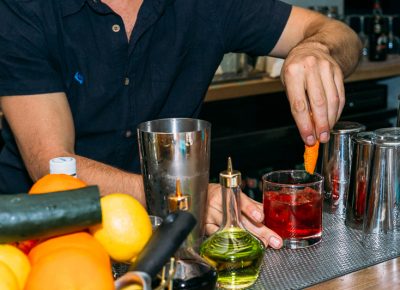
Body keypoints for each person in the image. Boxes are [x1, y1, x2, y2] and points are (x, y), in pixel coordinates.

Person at [0, 0, 361, 249]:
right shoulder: (24, 9)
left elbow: (338, 33)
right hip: (40, 237)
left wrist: (316, 49)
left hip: (166, 239)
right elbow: (51, 164)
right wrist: (186, 200)